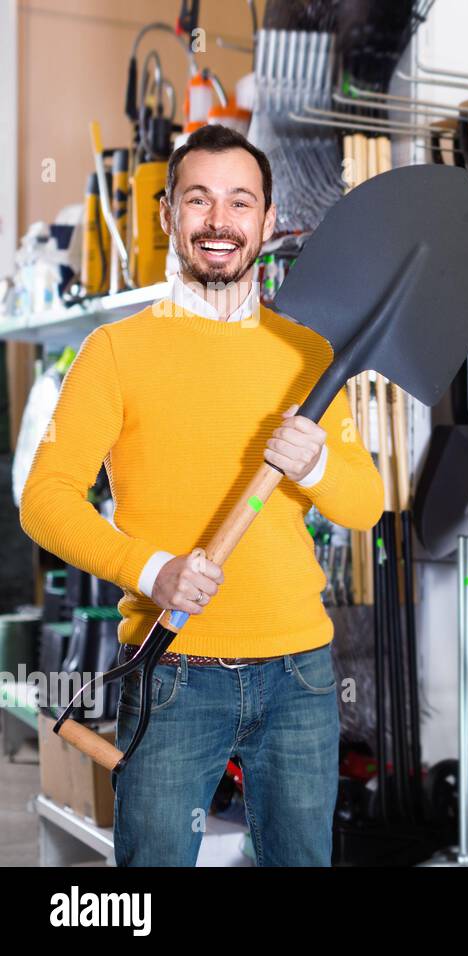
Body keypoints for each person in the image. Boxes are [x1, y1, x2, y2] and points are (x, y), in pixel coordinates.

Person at [20, 124, 383, 866]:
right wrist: (155, 571)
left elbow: (366, 505)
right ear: (168, 216)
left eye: (240, 202)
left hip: (302, 674)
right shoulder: (115, 351)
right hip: (175, 673)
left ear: (268, 221)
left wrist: (315, 467)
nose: (220, 221)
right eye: (200, 200)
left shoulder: (311, 356)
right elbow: (45, 498)